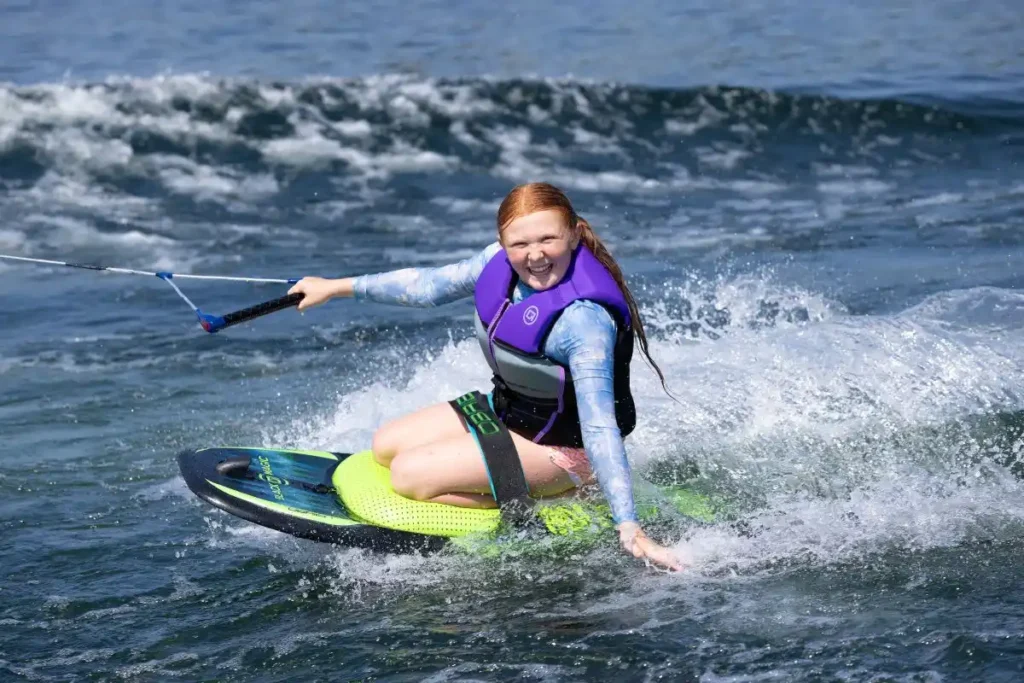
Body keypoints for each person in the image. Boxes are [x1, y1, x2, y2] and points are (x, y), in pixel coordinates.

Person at [289, 182, 683, 570]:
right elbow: (427, 287)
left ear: (575, 235)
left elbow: (599, 425)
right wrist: (334, 288)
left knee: (408, 476)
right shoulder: (496, 262)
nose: (535, 255)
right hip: (508, 411)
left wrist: (629, 525)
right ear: (502, 242)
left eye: (548, 239)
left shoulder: (583, 321)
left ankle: (562, 494)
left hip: (563, 448)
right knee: (385, 445)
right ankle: (508, 471)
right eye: (520, 244)